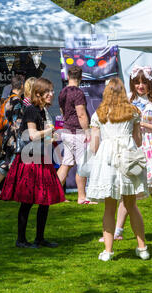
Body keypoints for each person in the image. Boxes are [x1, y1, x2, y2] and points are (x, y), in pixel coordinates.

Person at [98, 65, 152, 248]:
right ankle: (117, 231)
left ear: (150, 83)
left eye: (144, 82)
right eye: (137, 82)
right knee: (127, 192)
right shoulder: (128, 100)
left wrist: (143, 125)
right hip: (132, 148)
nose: (141, 86)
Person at [87, 78, 150, 261]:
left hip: (107, 159)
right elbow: (138, 140)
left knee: (109, 207)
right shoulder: (133, 112)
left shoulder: (99, 113)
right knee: (131, 205)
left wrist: (98, 156)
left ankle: (108, 251)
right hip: (128, 157)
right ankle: (143, 248)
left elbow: (94, 144)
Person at [0, 78, 65, 248]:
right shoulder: (31, 110)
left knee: (45, 200)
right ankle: (21, 240)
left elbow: (41, 137)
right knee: (27, 201)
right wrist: (50, 131)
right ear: (38, 94)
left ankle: (40, 238)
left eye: (52, 91)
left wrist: (52, 136)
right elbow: (32, 135)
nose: (52, 94)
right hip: (30, 160)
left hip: (40, 157)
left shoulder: (42, 111)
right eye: (48, 91)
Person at [56, 66, 93, 204]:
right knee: (82, 165)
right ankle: (82, 197)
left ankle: (55, 195)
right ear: (81, 78)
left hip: (66, 131)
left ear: (67, 77)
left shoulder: (62, 92)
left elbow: (62, 111)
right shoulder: (78, 93)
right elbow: (81, 114)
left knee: (66, 164)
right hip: (77, 132)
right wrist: (87, 131)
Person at [0, 75, 25, 198]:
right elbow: (17, 122)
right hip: (14, 137)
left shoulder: (8, 99)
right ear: (22, 86)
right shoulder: (17, 101)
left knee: (7, 162)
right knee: (10, 163)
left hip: (7, 135)